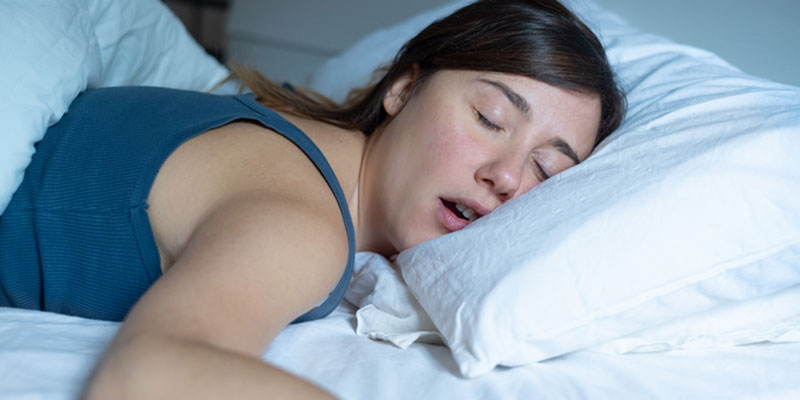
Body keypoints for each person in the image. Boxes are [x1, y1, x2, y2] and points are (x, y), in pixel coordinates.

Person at [0, 0, 624, 397]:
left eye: (546, 167)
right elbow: (144, 376)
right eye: (490, 117)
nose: (508, 176)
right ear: (403, 90)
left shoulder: (297, 131)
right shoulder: (303, 223)